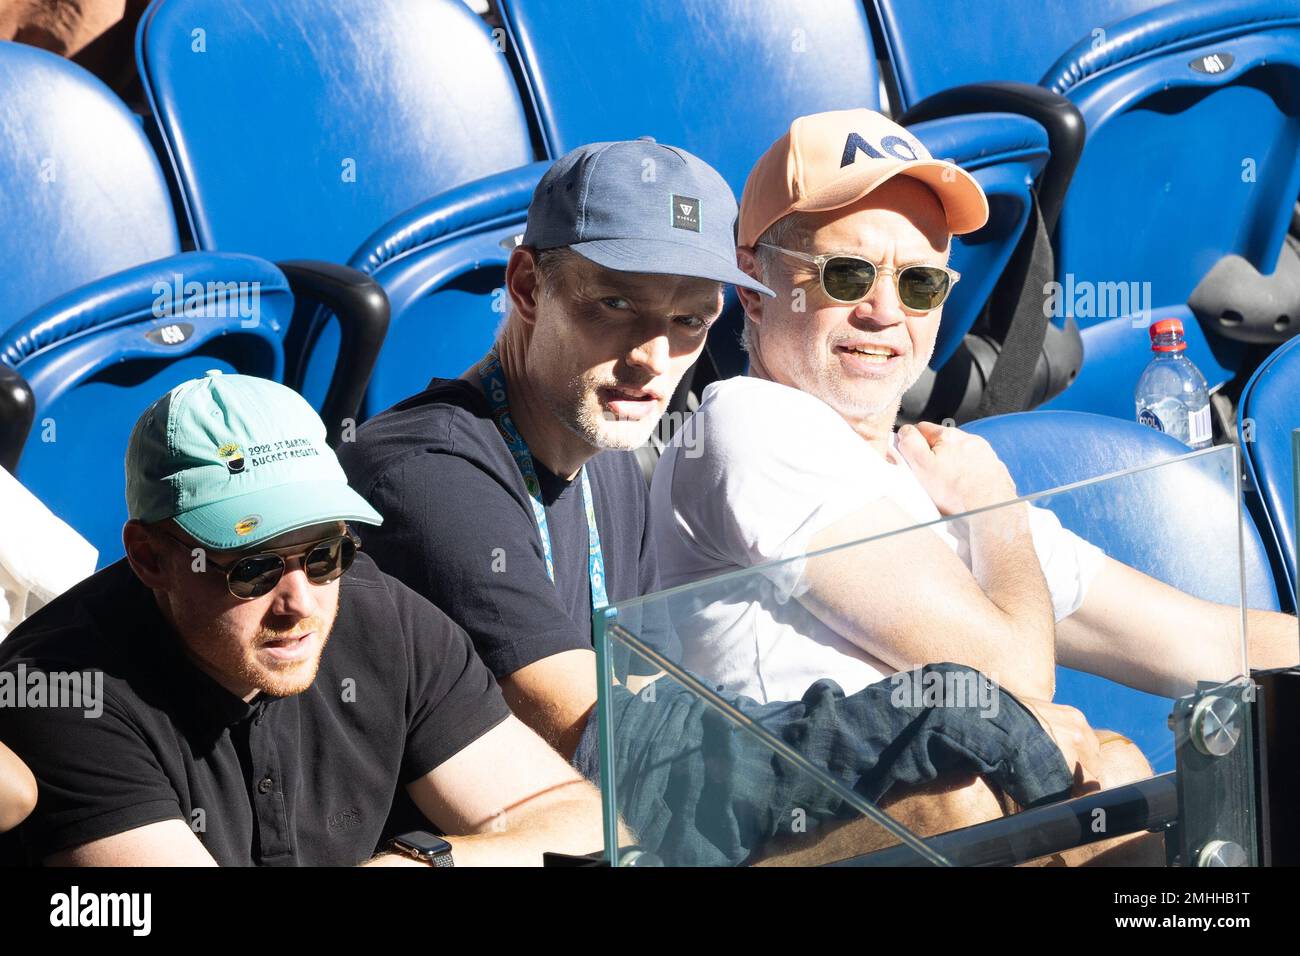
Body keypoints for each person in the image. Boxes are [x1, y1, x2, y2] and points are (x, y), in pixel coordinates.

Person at [339, 137, 1135, 866]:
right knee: (943, 802)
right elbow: (604, 739)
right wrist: (925, 718)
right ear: (525, 285)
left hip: (611, 827)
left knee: (1115, 775)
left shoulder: (604, 443)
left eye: (688, 321)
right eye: (615, 306)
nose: (653, 360)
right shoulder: (427, 471)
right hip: (506, 841)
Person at [650, 107, 1299, 713]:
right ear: (755, 288)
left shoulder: (933, 476)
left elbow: (1207, 642)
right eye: (846, 275)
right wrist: (999, 515)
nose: (884, 312)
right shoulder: (752, 423)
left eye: (919, 283)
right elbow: (1011, 681)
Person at [0, 371, 605, 866]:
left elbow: (579, 823)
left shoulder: (382, 616)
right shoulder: (64, 693)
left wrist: (426, 866)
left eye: (326, 554)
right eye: (254, 569)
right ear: (150, 558)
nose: (299, 604)